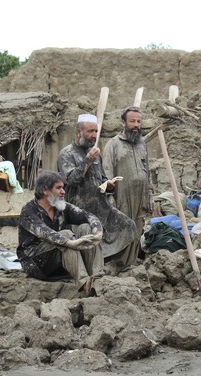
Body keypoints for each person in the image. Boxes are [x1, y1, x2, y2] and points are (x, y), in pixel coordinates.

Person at [57, 113, 137, 274]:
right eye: (90, 132)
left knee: (129, 226)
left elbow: (101, 178)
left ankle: (120, 267)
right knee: (91, 235)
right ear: (79, 132)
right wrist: (87, 160)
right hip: (79, 211)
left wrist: (109, 185)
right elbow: (71, 180)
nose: (94, 136)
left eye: (95, 131)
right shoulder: (67, 154)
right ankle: (97, 270)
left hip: (102, 207)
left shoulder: (95, 154)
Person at [17, 171, 103, 295]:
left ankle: (97, 279)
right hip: (37, 263)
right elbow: (45, 233)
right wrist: (70, 243)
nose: (63, 191)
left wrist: (98, 232)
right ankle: (85, 285)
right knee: (66, 235)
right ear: (45, 190)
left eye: (63, 188)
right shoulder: (29, 210)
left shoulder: (60, 207)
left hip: (60, 260)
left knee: (86, 228)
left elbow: (88, 216)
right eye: (58, 188)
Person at [102, 106, 152, 262]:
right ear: (124, 122)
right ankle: (119, 265)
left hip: (141, 197)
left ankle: (131, 264)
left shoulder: (142, 144)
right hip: (122, 197)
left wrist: (150, 195)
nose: (136, 125)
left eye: (138, 121)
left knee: (137, 230)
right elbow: (106, 172)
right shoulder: (113, 145)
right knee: (123, 231)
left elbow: (148, 172)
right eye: (132, 121)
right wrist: (110, 196)